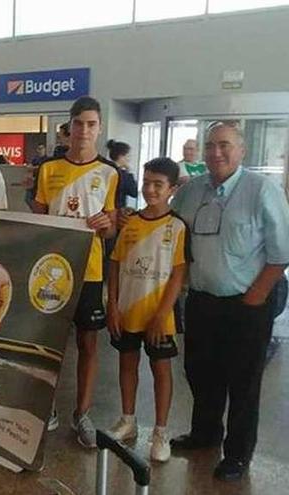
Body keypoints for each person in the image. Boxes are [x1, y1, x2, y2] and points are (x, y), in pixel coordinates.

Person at [169, 122, 289, 481]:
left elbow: (281, 251)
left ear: (241, 151)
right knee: (200, 372)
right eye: (210, 146)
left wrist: (256, 296)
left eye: (224, 145)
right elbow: (167, 228)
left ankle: (238, 454)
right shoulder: (191, 191)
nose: (215, 152)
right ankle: (205, 434)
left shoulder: (262, 190)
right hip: (203, 302)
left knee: (243, 381)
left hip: (247, 304)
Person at [31, 96, 118, 445]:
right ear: (69, 128)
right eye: (78, 123)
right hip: (52, 270)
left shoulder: (110, 174)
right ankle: (46, 405)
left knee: (88, 342)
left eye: (91, 124)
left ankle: (82, 414)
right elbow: (34, 222)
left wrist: (104, 225)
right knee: (48, 343)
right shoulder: (48, 170)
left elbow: (111, 230)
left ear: (99, 128)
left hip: (90, 270)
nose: (84, 130)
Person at [106, 158, 188, 463]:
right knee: (127, 364)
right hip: (127, 311)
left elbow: (179, 274)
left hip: (160, 316)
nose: (150, 189)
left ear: (171, 189)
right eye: (147, 182)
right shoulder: (130, 223)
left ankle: (160, 431)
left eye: (158, 184)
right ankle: (128, 420)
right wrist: (112, 304)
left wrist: (160, 314)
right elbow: (114, 265)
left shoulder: (177, 226)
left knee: (161, 371)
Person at [106, 139, 139, 209]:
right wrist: (130, 172)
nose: (129, 159)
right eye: (128, 156)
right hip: (117, 211)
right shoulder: (123, 175)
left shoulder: (104, 169)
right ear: (121, 156)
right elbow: (134, 192)